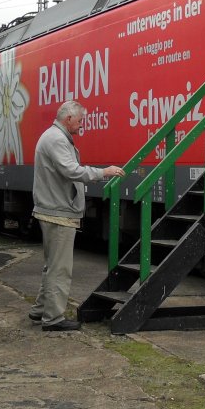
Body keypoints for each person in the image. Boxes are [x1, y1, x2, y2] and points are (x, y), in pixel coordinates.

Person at [28, 100, 124, 331]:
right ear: (68, 118)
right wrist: (104, 172)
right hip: (58, 211)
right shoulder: (57, 140)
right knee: (60, 268)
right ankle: (53, 319)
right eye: (80, 121)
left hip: (53, 208)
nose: (82, 125)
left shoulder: (52, 137)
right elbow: (72, 170)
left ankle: (41, 309)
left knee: (52, 265)